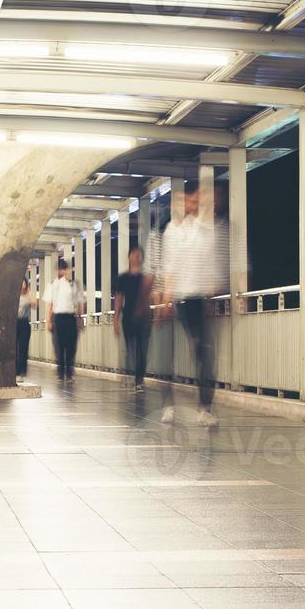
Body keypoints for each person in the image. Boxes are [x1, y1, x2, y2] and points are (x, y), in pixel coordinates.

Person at [158, 179, 226, 427]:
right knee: (170, 356)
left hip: (199, 300)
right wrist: (166, 298)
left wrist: (213, 291)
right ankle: (168, 405)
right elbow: (169, 268)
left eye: (198, 199)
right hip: (179, 300)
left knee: (205, 354)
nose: (194, 203)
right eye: (192, 199)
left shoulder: (209, 230)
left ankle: (204, 409)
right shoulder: (173, 231)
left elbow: (212, 267)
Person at [113, 244, 154, 393]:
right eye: (134, 254)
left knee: (142, 349)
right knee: (131, 348)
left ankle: (139, 380)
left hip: (144, 317)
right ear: (129, 257)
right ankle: (132, 377)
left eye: (139, 254)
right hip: (128, 316)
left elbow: (152, 296)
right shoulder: (122, 278)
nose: (137, 256)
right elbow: (118, 298)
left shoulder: (146, 278)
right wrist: (115, 319)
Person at [41, 258, 84, 382]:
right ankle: (61, 371)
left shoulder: (74, 284)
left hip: (71, 318)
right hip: (57, 318)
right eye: (61, 269)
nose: (63, 271)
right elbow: (49, 304)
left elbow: (80, 302)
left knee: (72, 346)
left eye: (65, 269)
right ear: (58, 270)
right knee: (59, 346)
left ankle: (69, 373)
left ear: (68, 270)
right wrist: (49, 321)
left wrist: (80, 319)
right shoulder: (53, 284)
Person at [15, 276, 35, 381]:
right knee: (14, 348)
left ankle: (21, 372)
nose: (22, 286)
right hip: (13, 323)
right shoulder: (13, 295)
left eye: (24, 283)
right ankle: (15, 372)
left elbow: (35, 304)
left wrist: (29, 294)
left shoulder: (28, 294)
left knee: (23, 348)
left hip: (24, 323)